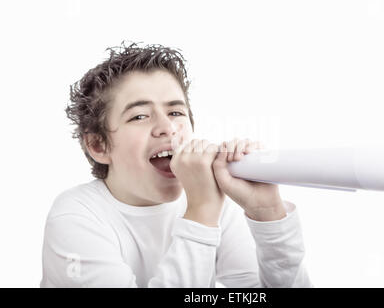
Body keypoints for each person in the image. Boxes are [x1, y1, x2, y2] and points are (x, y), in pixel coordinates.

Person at [40, 42, 313, 288]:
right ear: (99, 145)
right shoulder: (74, 216)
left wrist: (268, 213)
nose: (168, 127)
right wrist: (202, 211)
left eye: (175, 112)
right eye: (139, 116)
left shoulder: (215, 204)